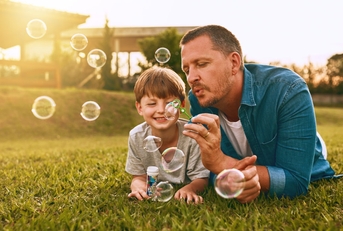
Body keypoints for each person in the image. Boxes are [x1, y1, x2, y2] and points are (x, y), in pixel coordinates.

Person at [179, 25, 337, 203]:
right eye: (187, 70)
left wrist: (222, 164)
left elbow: (296, 181)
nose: (191, 78)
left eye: (201, 64)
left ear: (234, 63)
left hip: (298, 139)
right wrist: (235, 179)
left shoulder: (287, 89)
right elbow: (212, 172)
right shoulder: (198, 99)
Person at [125, 66, 209, 204]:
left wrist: (190, 188)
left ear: (182, 105)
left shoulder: (192, 135)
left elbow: (201, 179)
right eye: (152, 103)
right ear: (140, 108)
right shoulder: (136, 136)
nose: (161, 110)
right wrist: (138, 186)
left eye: (170, 103)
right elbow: (138, 176)